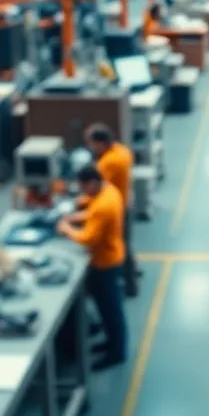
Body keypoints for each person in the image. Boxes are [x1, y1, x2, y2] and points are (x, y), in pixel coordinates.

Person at [58, 165, 128, 370]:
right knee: (108, 310)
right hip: (112, 256)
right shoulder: (109, 191)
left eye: (83, 187)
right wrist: (74, 218)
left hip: (105, 264)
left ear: (92, 183)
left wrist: (67, 229)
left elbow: (88, 238)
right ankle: (110, 343)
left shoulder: (103, 206)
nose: (82, 192)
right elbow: (93, 213)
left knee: (111, 311)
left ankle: (116, 353)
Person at [85, 123, 138, 297]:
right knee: (126, 245)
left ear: (101, 143)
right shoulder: (123, 151)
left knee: (120, 246)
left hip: (117, 209)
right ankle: (133, 273)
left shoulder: (107, 162)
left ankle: (131, 286)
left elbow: (96, 188)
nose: (90, 147)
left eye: (91, 143)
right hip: (126, 202)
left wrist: (80, 200)